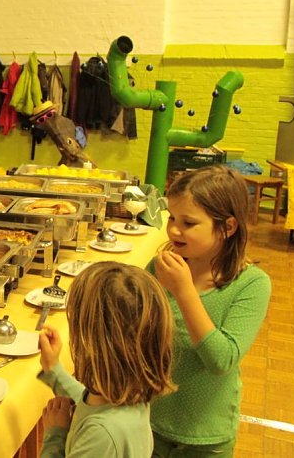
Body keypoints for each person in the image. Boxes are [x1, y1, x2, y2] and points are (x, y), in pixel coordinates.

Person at [149, 165, 271, 457]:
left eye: (189, 223)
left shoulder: (251, 285)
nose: (174, 230)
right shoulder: (161, 268)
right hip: (150, 423)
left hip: (205, 439)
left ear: (228, 227)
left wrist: (184, 291)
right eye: (172, 218)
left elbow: (221, 359)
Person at [37, 261, 175, 457]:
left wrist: (56, 433)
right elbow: (89, 404)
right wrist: (53, 370)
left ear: (91, 344)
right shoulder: (132, 394)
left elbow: (96, 418)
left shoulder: (100, 435)